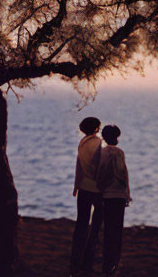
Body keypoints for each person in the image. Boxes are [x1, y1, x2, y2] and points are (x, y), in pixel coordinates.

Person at [96, 125, 131, 277]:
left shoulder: (103, 154)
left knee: (109, 230)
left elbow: (102, 174)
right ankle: (114, 261)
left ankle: (108, 262)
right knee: (117, 230)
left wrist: (100, 189)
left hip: (107, 196)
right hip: (119, 196)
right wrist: (126, 195)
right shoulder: (119, 153)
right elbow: (124, 176)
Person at [70, 116, 103, 276]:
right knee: (96, 224)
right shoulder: (98, 143)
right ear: (96, 128)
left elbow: (79, 166)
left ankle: (75, 257)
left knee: (81, 223)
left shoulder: (82, 143)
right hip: (96, 188)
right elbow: (99, 167)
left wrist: (76, 185)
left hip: (83, 187)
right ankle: (89, 255)